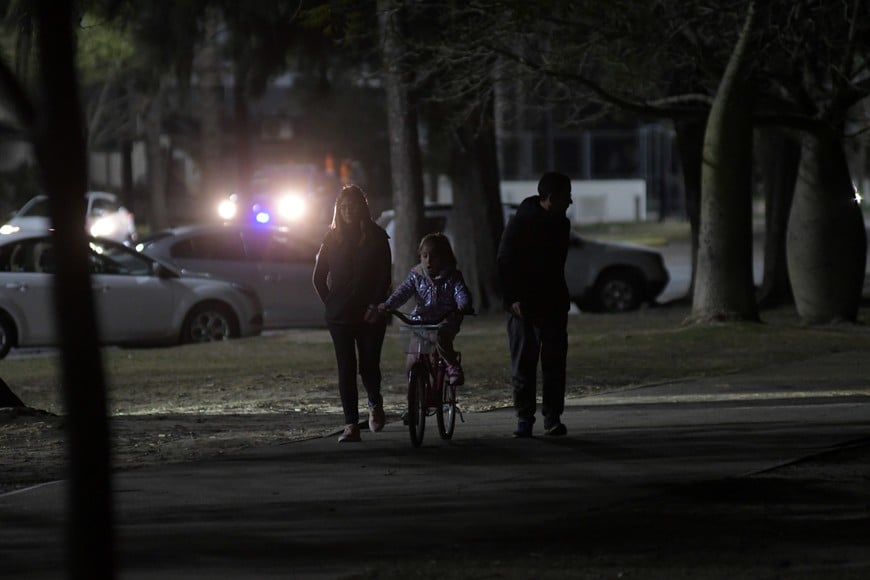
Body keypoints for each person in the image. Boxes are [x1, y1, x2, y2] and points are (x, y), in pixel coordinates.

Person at [313, 184, 392, 443]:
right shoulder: (331, 238)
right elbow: (318, 277)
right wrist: (331, 303)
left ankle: (374, 401)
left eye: (353, 206)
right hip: (340, 317)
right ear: (338, 209)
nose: (347, 211)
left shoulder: (377, 237)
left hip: (370, 315)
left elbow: (384, 277)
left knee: (368, 365)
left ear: (362, 207)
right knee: (346, 368)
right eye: (343, 207)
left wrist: (376, 305)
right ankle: (350, 425)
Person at [496, 171, 573, 438]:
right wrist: (513, 298)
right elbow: (505, 261)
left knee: (553, 364)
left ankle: (550, 417)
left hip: (551, 303)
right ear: (550, 198)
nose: (570, 201)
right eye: (566, 196)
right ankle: (525, 417)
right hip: (525, 307)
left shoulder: (560, 223)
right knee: (524, 364)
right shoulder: (522, 223)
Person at [378, 233, 472, 386]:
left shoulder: (452, 276)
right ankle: (415, 399)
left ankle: (452, 365)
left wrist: (463, 304)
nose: (428, 261)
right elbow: (403, 292)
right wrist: (388, 304)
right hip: (421, 321)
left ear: (443, 257)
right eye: (424, 255)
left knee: (442, 338)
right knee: (412, 360)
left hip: (446, 319)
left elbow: (460, 291)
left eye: (433, 256)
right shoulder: (416, 276)